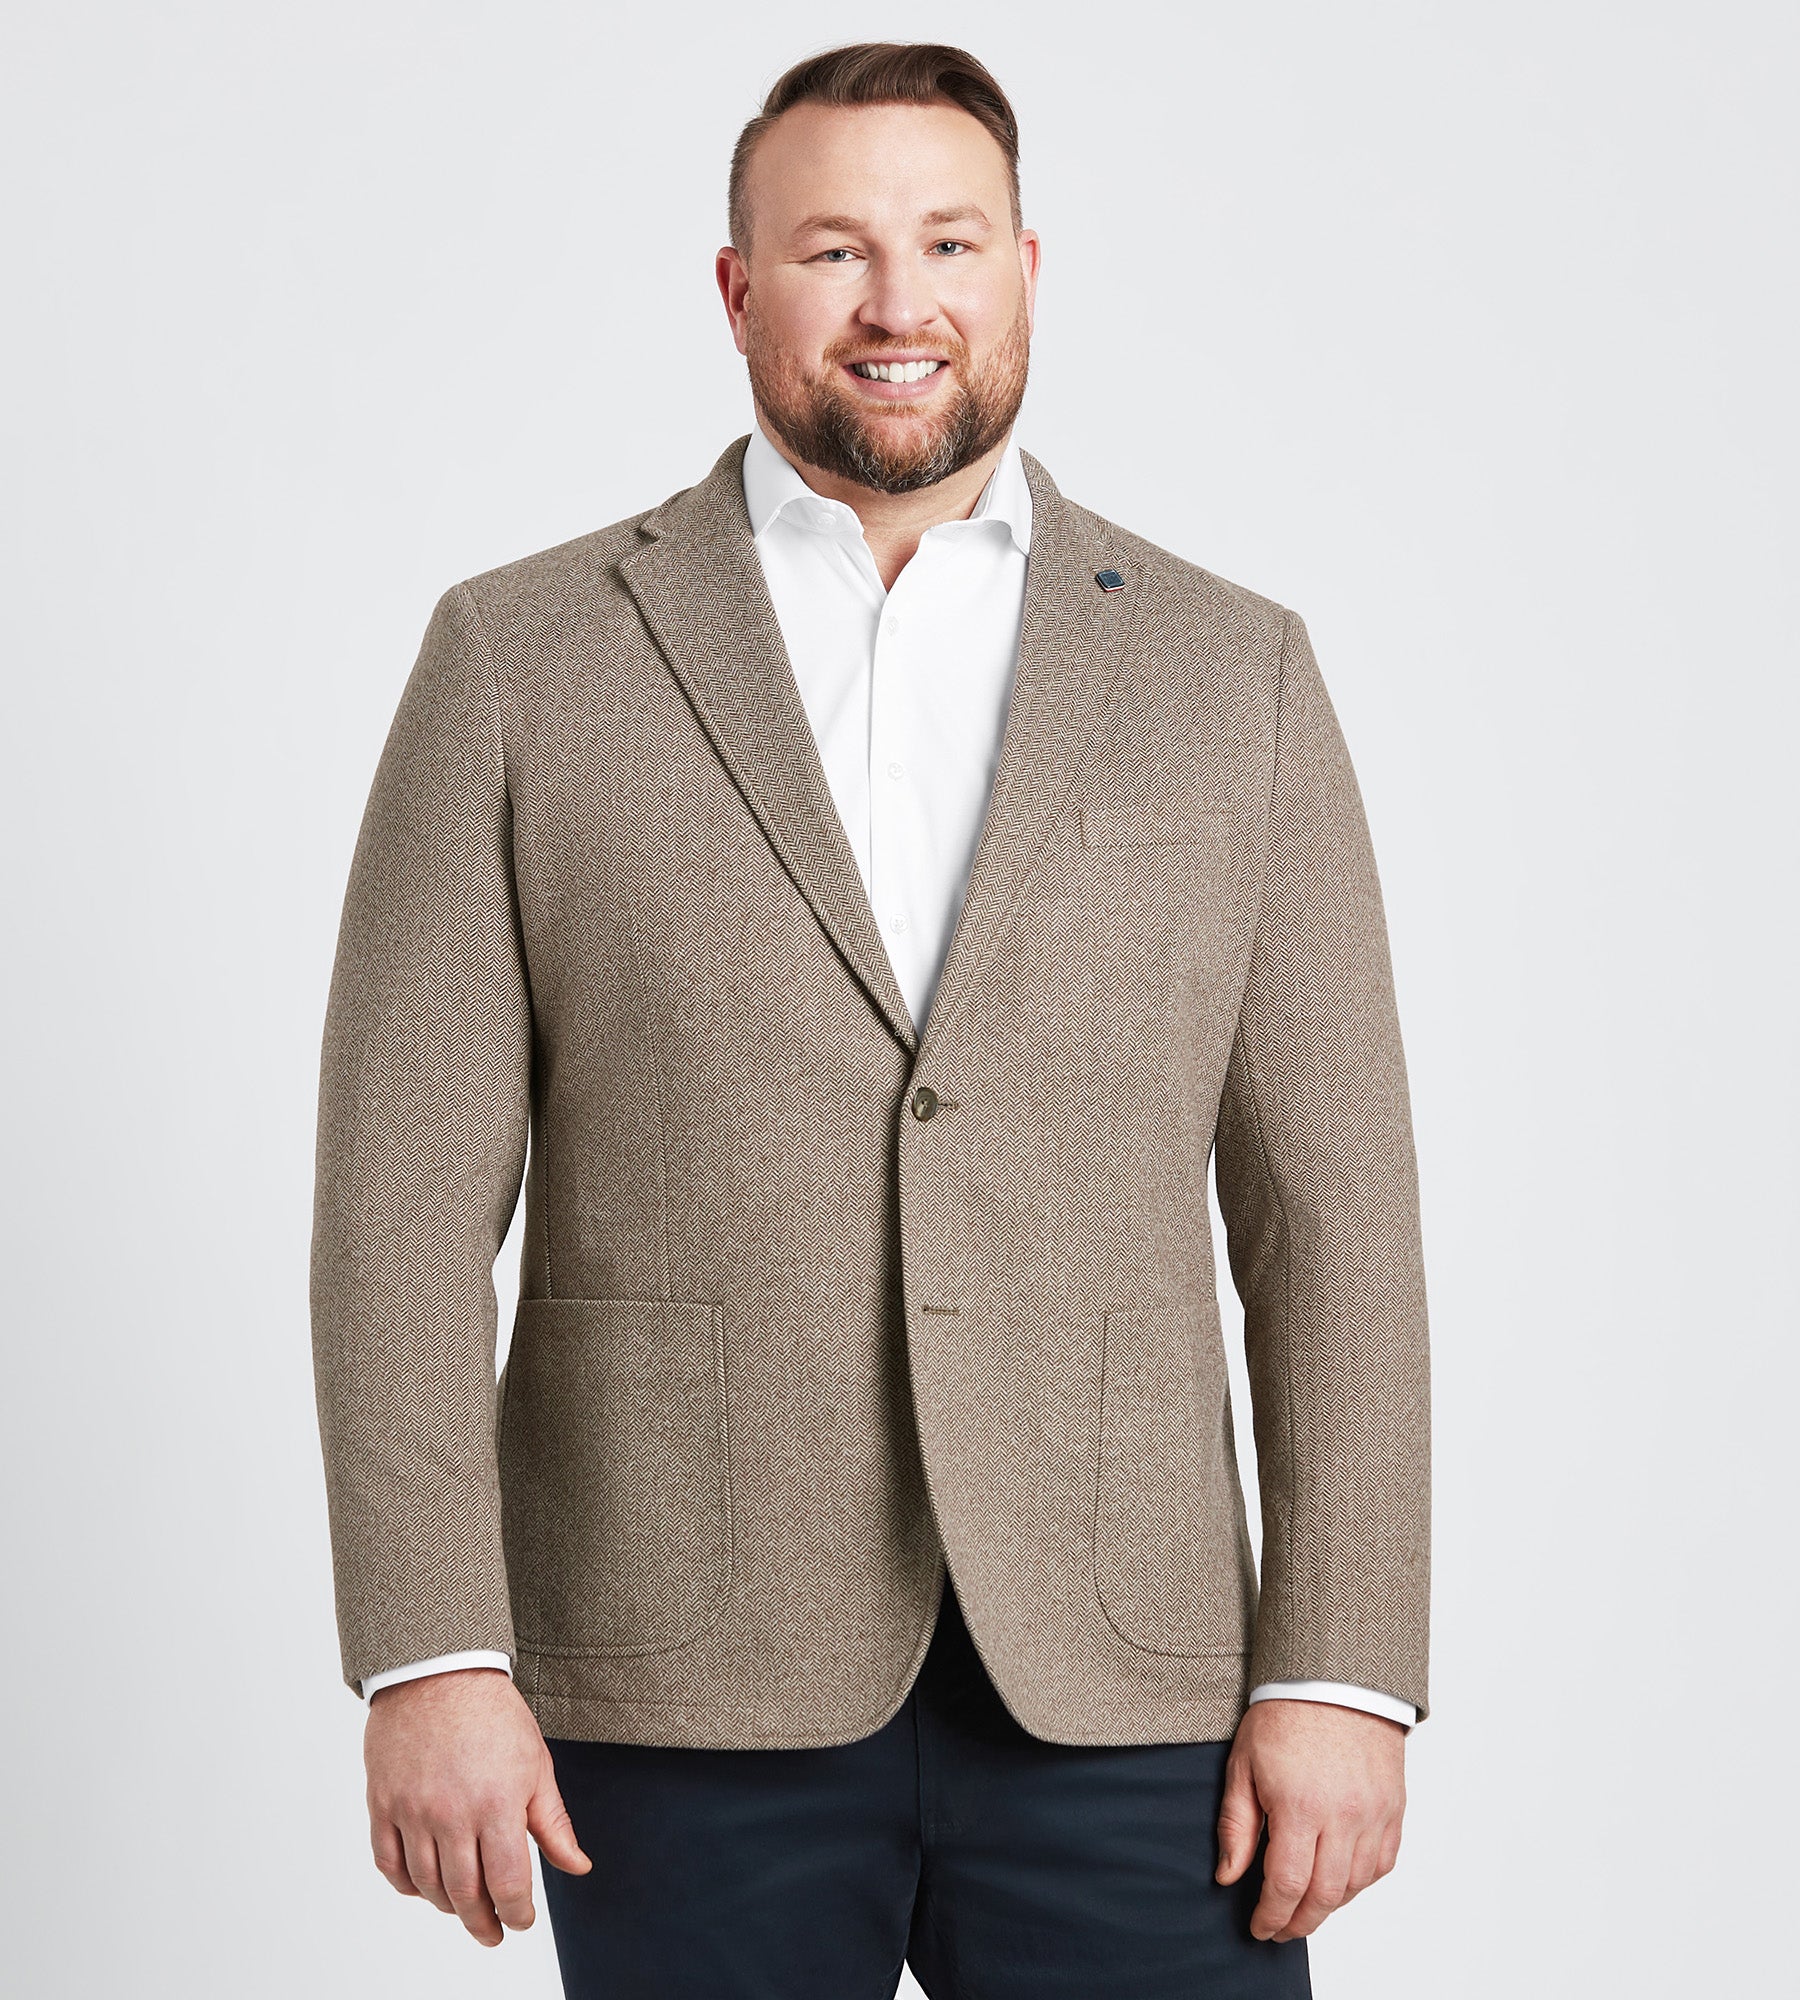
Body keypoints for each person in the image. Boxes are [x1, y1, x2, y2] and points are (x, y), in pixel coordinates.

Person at [309, 40, 1431, 2000]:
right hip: (675, 1674)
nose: (899, 302)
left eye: (949, 242)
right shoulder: (520, 658)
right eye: (835, 249)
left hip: (1130, 1684)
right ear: (739, 289)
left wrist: (1342, 1666)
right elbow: (396, 1209)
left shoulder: (1231, 672)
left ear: (1026, 269)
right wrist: (432, 1652)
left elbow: (1332, 1214)